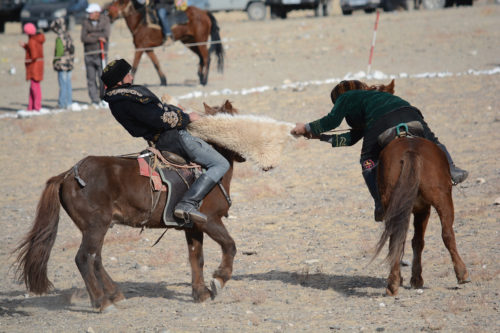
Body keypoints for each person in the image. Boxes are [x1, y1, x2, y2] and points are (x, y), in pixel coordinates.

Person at [291, 80, 468, 222]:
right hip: (410, 113)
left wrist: (306, 127)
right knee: (433, 142)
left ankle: (380, 203)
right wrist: (318, 137)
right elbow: (350, 139)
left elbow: (331, 121)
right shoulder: (372, 101)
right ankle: (452, 169)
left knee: (367, 160)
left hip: (382, 121)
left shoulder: (346, 97)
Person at [101, 59, 230, 227]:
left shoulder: (117, 100)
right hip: (173, 138)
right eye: (128, 74)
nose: (131, 76)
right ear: (119, 81)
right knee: (220, 163)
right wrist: (187, 117)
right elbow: (158, 118)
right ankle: (188, 203)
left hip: (159, 138)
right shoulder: (127, 99)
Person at [81, 3, 111, 108]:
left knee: (103, 77)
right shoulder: (85, 22)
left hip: (101, 54)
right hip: (89, 54)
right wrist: (97, 37)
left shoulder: (105, 21)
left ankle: (104, 98)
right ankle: (94, 99)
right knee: (91, 78)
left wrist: (91, 34)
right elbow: (83, 38)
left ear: (97, 13)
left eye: (91, 13)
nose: (89, 14)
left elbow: (106, 35)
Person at [19, 23, 45, 112]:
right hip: (38, 65)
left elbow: (34, 55)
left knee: (34, 87)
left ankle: (36, 106)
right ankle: (31, 106)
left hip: (34, 66)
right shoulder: (36, 39)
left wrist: (28, 60)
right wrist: (25, 46)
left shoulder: (32, 41)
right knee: (33, 87)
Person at [50, 18, 75, 110]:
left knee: (63, 84)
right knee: (68, 83)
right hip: (69, 63)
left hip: (62, 64)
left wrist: (55, 61)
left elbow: (59, 51)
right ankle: (69, 102)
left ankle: (62, 103)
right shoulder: (68, 35)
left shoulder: (59, 37)